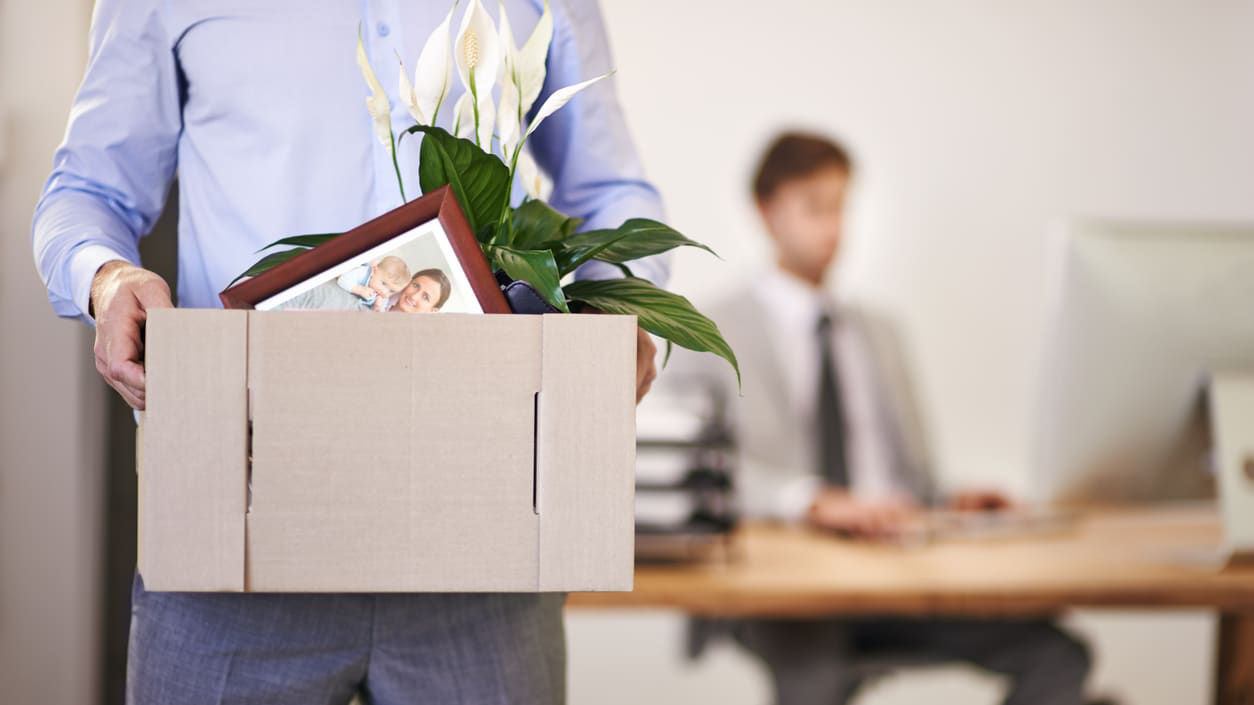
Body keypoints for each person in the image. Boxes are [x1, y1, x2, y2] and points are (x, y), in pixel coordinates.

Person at [30, 2, 663, 703]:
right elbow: (87, 190)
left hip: (485, 526)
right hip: (231, 519)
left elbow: (609, 190)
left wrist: (618, 312)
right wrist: (107, 278)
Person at [665, 132, 1093, 705]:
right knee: (814, 678)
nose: (833, 226)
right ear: (767, 213)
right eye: (813, 206)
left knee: (1058, 655)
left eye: (840, 205)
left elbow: (913, 481)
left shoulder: (882, 335)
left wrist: (955, 500)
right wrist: (812, 501)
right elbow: (692, 472)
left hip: (897, 572)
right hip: (785, 584)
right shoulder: (704, 330)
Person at [336, 256, 411, 311]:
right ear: (374, 271)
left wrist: (377, 307)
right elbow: (342, 280)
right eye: (384, 283)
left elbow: (379, 313)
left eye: (391, 291)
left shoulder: (382, 297)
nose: (384, 291)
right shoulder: (363, 273)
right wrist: (359, 289)